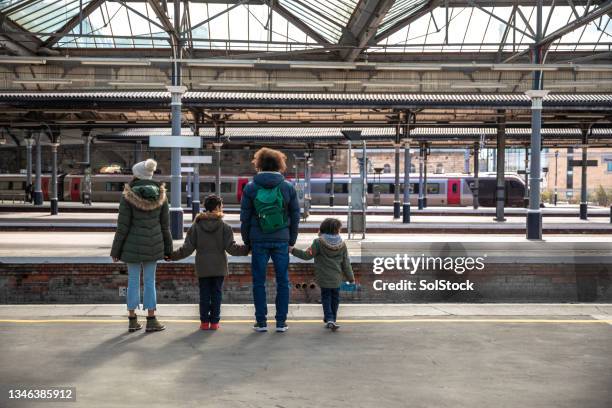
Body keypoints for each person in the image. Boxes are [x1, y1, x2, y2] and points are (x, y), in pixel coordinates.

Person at [240, 148, 300, 333]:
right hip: (281, 239)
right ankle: (281, 323)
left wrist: (247, 241)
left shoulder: (250, 187)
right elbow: (295, 215)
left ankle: (261, 322)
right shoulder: (288, 186)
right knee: (283, 281)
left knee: (259, 281)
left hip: (258, 240)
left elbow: (245, 217)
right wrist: (291, 239)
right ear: (279, 164)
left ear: (259, 164)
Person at [169, 195, 248, 330]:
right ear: (217, 207)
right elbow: (232, 249)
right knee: (216, 294)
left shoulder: (196, 226)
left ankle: (204, 322)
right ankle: (215, 322)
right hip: (219, 267)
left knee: (204, 294)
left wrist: (172, 256)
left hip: (203, 266)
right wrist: (247, 249)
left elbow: (187, 249)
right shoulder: (225, 227)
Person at [110, 159, 172, 333]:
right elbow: (165, 226)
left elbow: (122, 226)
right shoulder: (161, 195)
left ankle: (132, 320)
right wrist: (168, 251)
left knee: (133, 282)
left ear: (137, 175)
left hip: (131, 246)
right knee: (150, 281)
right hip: (154, 245)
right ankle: (151, 319)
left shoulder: (128, 195)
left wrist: (116, 250)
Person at [291, 218, 354, 331]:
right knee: (335, 298)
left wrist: (292, 250)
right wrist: (351, 277)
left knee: (326, 297)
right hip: (336, 278)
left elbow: (306, 255)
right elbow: (346, 263)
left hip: (323, 278)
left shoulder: (318, 242)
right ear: (336, 230)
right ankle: (332, 319)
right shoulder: (342, 244)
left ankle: (329, 319)